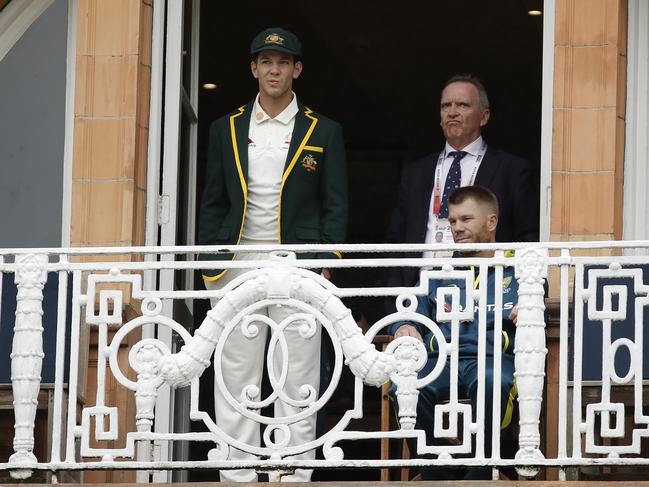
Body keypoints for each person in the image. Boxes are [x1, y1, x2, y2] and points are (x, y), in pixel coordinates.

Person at [197, 27, 347, 482]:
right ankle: (238, 472)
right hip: (237, 264)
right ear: (253, 69)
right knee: (236, 369)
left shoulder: (325, 130)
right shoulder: (227, 127)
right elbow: (213, 203)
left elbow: (335, 206)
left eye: (283, 62)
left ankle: (292, 472)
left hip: (296, 263)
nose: (274, 70)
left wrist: (327, 264)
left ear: (297, 70)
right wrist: (211, 265)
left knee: (296, 371)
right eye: (265, 62)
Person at [388, 186, 518, 480]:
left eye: (466, 220)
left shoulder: (519, 267)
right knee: (406, 386)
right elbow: (411, 307)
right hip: (440, 360)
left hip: (490, 358)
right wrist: (404, 325)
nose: (457, 228)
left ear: (491, 221)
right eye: (453, 221)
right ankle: (436, 470)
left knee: (492, 382)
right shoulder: (440, 269)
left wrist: (530, 309)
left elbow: (538, 304)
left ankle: (481, 471)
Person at [385, 74, 538, 293]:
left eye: (462, 105)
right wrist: (395, 301)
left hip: (483, 295)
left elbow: (527, 239)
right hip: (419, 296)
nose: (452, 112)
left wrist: (527, 293)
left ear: (484, 117)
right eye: (445, 106)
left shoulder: (511, 170)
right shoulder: (416, 172)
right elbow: (396, 242)